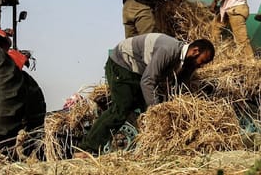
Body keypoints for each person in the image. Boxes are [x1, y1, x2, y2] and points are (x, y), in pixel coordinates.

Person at [79, 34, 216, 155]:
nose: (201, 66)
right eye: (202, 61)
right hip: (122, 63)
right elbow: (147, 81)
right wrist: (156, 110)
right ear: (195, 51)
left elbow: (169, 84)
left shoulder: (182, 60)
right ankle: (86, 148)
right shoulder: (168, 50)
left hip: (137, 70)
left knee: (144, 105)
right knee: (122, 107)